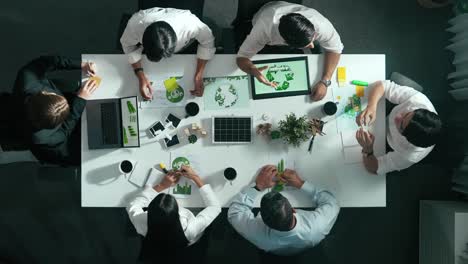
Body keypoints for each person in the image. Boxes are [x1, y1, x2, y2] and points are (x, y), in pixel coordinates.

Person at [236, 1, 344, 101]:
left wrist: (325, 81)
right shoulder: (263, 29)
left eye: (313, 39)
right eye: (306, 45)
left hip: (284, 9)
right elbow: (241, 57)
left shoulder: (320, 24)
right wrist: (252, 69)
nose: (312, 46)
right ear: (286, 43)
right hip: (265, 13)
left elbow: (336, 48)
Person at [227, 165, 340, 256]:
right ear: (294, 210)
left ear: (261, 220)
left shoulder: (257, 234)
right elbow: (331, 203)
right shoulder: (317, 226)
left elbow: (235, 213)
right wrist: (300, 184)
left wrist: (258, 186)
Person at [13, 56, 98, 164]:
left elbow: (49, 61)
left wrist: (81, 65)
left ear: (44, 93)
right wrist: (79, 100)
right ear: (51, 126)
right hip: (61, 146)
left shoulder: (27, 77)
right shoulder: (41, 137)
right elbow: (64, 131)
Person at [127, 165, 221, 262]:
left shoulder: (140, 221)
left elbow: (132, 205)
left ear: (150, 210)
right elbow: (215, 207)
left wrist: (162, 186)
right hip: (185, 248)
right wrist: (195, 177)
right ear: (177, 212)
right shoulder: (190, 228)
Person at [120, 7, 216, 98]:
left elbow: (208, 41)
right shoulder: (136, 24)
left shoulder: (190, 24)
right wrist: (140, 75)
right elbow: (128, 45)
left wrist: (199, 75)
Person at [355, 80, 442, 174]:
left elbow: (375, 168)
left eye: (401, 126)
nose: (397, 117)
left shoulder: (410, 155)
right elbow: (383, 86)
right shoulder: (418, 100)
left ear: (408, 140)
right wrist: (371, 106)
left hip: (385, 141)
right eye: (407, 114)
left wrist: (368, 149)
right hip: (381, 114)